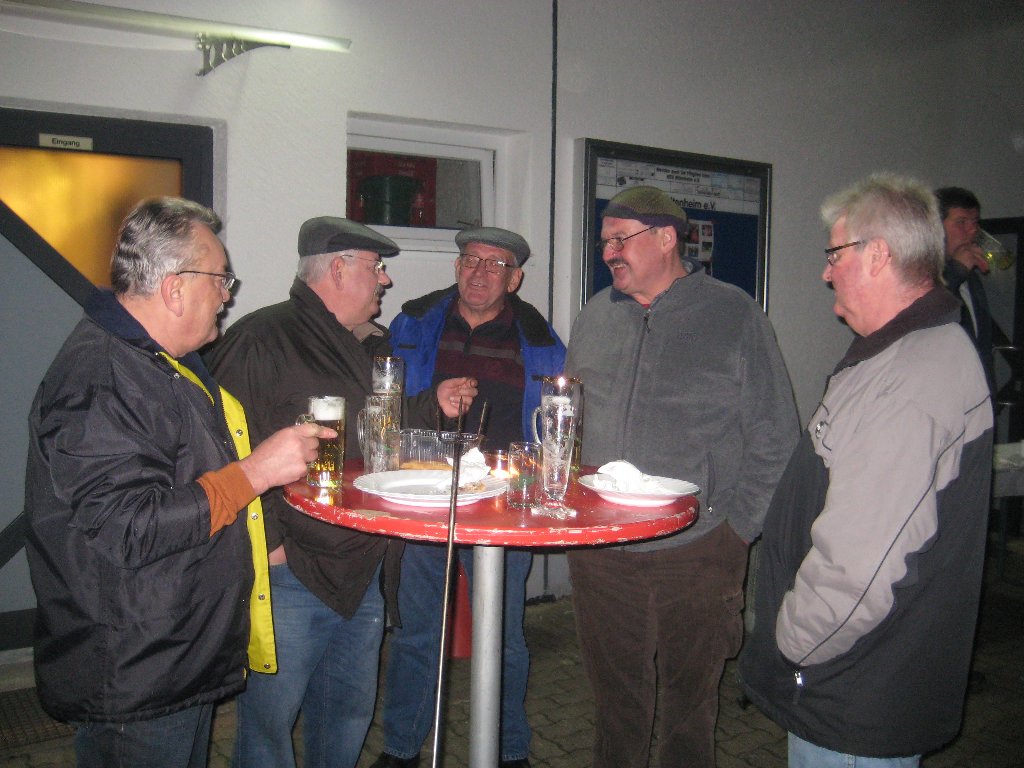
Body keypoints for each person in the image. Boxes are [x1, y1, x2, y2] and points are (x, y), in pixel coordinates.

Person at [24, 197, 325, 768]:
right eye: (220, 279)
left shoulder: (156, 362)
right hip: (134, 673)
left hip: (172, 655)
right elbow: (128, 528)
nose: (228, 294)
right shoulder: (103, 376)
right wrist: (256, 472)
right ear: (175, 287)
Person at [738, 173, 994, 767]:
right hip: (861, 677)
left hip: (852, 689)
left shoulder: (910, 380)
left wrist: (791, 647)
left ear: (877, 254)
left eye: (835, 254)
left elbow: (860, 570)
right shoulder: (899, 352)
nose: (826, 272)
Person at [204, 216, 476, 768]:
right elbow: (217, 449)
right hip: (292, 572)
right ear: (337, 269)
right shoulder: (262, 339)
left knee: (347, 716)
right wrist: (272, 548)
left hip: (360, 566)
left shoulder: (364, 344)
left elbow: (372, 431)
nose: (385, 280)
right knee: (268, 731)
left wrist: (432, 405)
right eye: (376, 267)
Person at [563, 186, 799, 768]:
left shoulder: (733, 314)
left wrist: (736, 532)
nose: (608, 253)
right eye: (604, 242)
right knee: (615, 705)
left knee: (689, 709)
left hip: (698, 549)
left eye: (621, 239)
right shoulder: (596, 316)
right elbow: (571, 421)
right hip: (602, 550)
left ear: (666, 238)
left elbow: (776, 435)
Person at [367, 227, 565, 768]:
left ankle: (509, 749)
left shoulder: (540, 341)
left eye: (494, 265)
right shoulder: (413, 322)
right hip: (427, 494)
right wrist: (429, 403)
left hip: (502, 504)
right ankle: (401, 749)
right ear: (457, 268)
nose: (479, 272)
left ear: (514, 279)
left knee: (504, 638)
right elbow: (382, 399)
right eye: (471, 260)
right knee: (417, 632)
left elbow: (555, 426)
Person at [936, 186, 995, 392]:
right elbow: (928, 310)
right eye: (961, 222)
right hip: (942, 392)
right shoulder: (919, 274)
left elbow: (982, 347)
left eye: (975, 222)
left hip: (974, 392)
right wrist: (957, 270)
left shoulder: (970, 277)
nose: (972, 231)